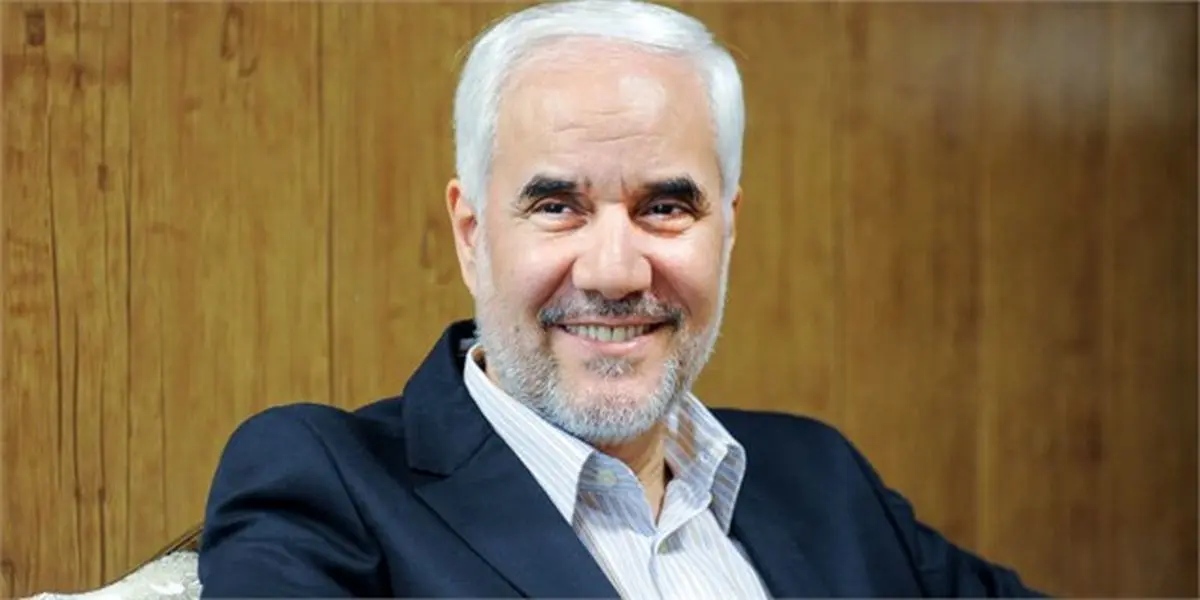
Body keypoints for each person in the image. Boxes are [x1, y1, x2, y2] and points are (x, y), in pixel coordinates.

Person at [197, 0, 1046, 597]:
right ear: (471, 234)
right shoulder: (327, 482)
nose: (615, 272)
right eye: (556, 206)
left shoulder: (821, 478)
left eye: (666, 207)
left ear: (727, 231)